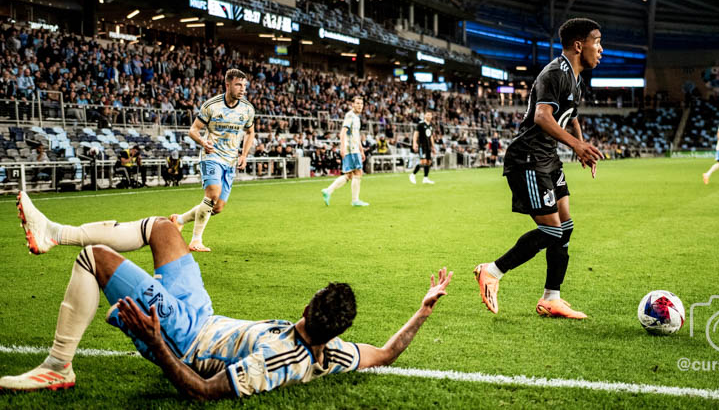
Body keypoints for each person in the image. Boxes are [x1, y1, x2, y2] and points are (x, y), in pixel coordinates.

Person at [3, 192, 452, 398]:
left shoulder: (274, 361)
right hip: (204, 313)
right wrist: (422, 308)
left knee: (95, 257)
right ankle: (52, 232)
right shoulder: (332, 353)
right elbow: (387, 353)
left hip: (184, 336)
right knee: (163, 227)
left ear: (305, 307)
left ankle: (57, 367)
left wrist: (158, 342)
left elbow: (201, 389)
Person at [473, 18, 604, 319]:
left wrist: (582, 146)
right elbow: (542, 117)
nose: (601, 49)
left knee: (565, 227)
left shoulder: (576, 79)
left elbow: (570, 116)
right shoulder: (554, 73)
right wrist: (576, 146)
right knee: (550, 230)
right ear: (578, 45)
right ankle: (491, 271)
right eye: (597, 42)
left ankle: (551, 298)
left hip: (547, 158)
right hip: (528, 159)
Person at [170, 69, 255, 252]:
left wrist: (244, 154)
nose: (242, 89)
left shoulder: (247, 108)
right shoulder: (212, 105)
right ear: (228, 85)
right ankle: (195, 241)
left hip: (231, 160)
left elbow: (250, 132)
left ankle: (179, 220)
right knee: (213, 194)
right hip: (212, 156)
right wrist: (202, 141)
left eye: (244, 85)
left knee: (216, 208)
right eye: (238, 85)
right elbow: (193, 130)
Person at [321, 96, 369, 207]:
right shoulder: (350, 115)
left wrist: (361, 150)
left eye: (361, 103)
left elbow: (356, 136)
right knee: (358, 173)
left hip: (355, 149)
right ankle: (355, 200)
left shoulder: (356, 118)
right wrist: (342, 147)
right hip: (351, 149)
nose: (359, 105)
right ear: (352, 104)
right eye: (357, 103)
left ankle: (328, 191)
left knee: (349, 175)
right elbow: (343, 132)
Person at [409, 111, 435, 185]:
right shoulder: (420, 124)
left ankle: (425, 178)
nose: (429, 116)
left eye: (430, 115)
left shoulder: (431, 126)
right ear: (425, 116)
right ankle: (412, 175)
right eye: (427, 115)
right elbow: (415, 134)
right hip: (421, 146)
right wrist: (414, 143)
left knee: (428, 162)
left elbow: (431, 137)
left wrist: (433, 147)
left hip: (428, 146)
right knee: (423, 162)